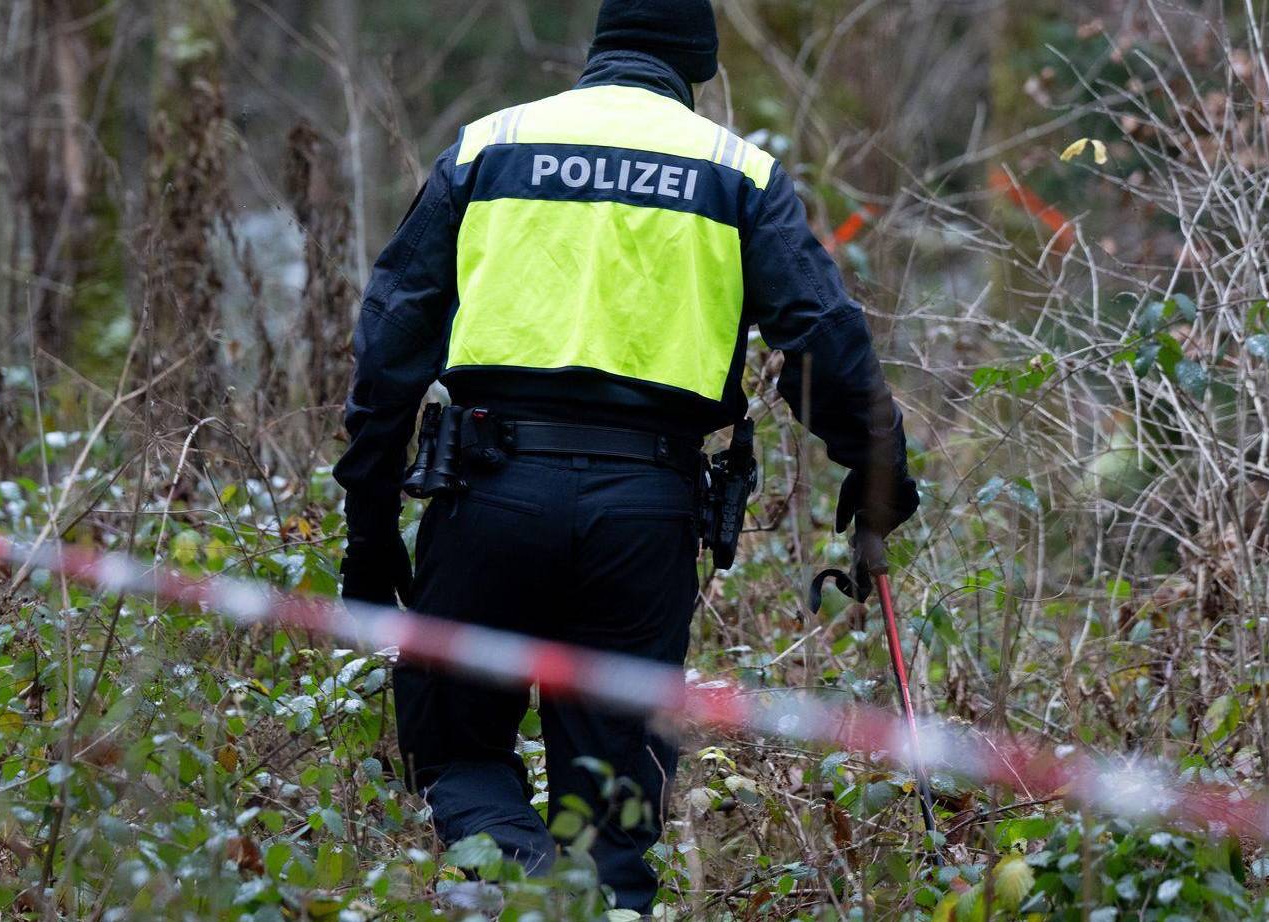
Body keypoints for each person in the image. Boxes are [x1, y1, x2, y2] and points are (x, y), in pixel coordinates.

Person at [334, 0, 919, 911]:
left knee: (458, 754)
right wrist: (879, 473)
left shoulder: (488, 148)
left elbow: (388, 350)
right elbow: (823, 340)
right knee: (612, 816)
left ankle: (515, 881)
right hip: (645, 516)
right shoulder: (738, 173)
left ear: (600, 46)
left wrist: (370, 533)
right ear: (700, 66)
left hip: (488, 498)